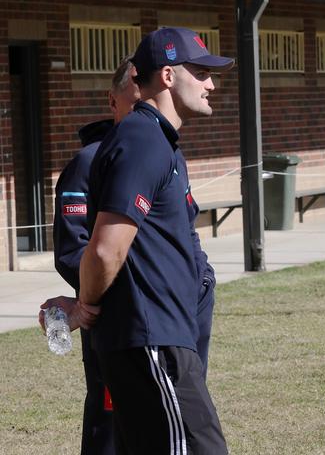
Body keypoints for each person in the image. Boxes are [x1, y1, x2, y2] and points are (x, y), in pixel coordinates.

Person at [40, 56, 217, 454]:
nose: (145, 108)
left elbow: (183, 233)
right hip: (128, 317)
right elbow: (77, 250)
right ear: (114, 101)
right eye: (135, 100)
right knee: (114, 428)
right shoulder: (89, 163)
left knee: (169, 426)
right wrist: (100, 298)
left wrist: (199, 280)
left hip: (178, 316)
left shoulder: (166, 150)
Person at [77, 27, 232, 455]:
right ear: (167, 75)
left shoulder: (158, 140)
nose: (211, 85)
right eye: (200, 73)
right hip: (153, 344)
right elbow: (107, 248)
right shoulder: (143, 139)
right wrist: (85, 303)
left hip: (161, 339)